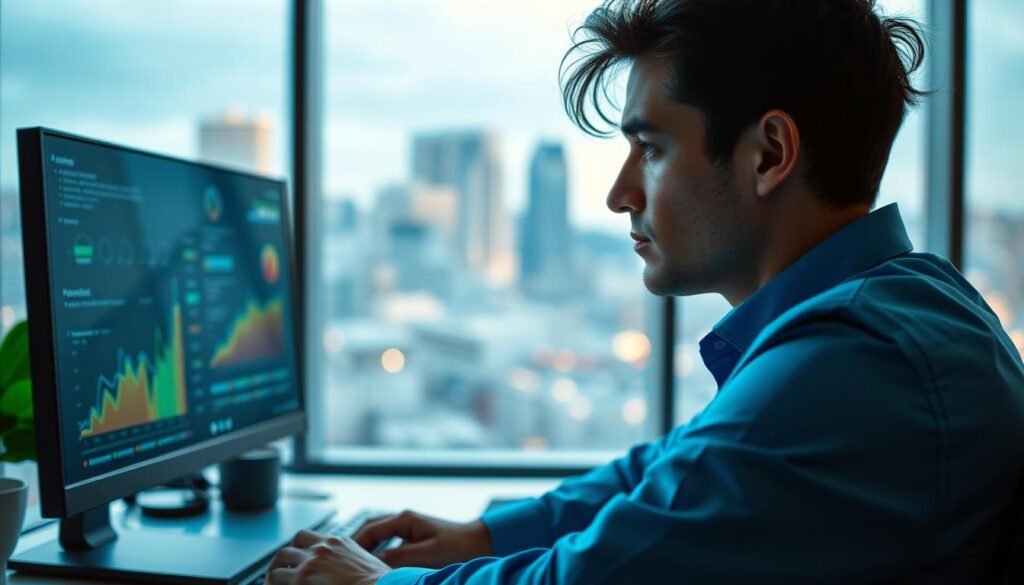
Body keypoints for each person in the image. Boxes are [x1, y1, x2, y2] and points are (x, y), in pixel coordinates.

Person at [266, 0, 1024, 583]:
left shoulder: (855, 365)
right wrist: (487, 536)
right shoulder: (889, 309)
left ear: (768, 154)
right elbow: (674, 469)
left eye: (652, 149)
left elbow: (604, 571)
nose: (621, 194)